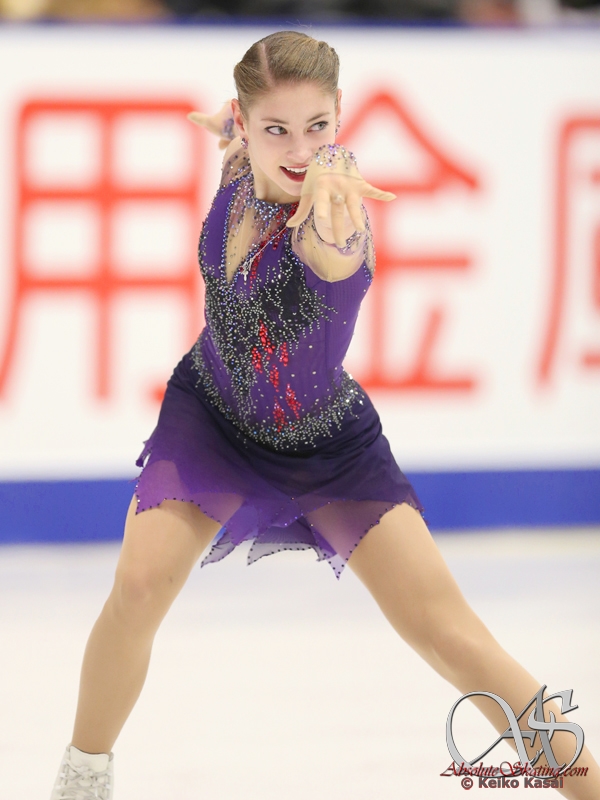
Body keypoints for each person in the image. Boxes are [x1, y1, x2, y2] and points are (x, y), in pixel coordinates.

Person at [49, 30, 600, 800]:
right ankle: (81, 779)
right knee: (136, 589)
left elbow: (334, 238)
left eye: (319, 127)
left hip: (327, 449)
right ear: (244, 122)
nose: (301, 149)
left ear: (341, 113)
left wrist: (334, 192)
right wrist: (232, 130)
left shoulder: (334, 223)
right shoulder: (240, 162)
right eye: (276, 128)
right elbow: (238, 134)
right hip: (209, 412)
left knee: (452, 640)